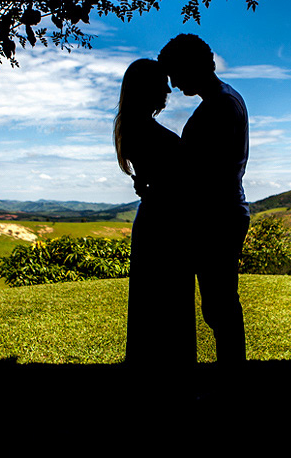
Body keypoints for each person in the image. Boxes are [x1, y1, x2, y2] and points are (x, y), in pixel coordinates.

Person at [157, 34, 250, 368]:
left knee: (220, 306)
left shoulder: (220, 106)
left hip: (218, 217)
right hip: (221, 213)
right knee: (220, 306)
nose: (174, 82)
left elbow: (203, 171)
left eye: (176, 73)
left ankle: (232, 381)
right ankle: (231, 377)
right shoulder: (222, 101)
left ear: (194, 67)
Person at [114, 58, 196, 382]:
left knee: (154, 308)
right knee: (170, 306)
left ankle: (153, 378)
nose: (167, 89)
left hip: (155, 220)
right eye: (161, 83)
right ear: (147, 88)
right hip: (165, 225)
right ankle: (172, 380)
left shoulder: (133, 127)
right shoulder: (147, 131)